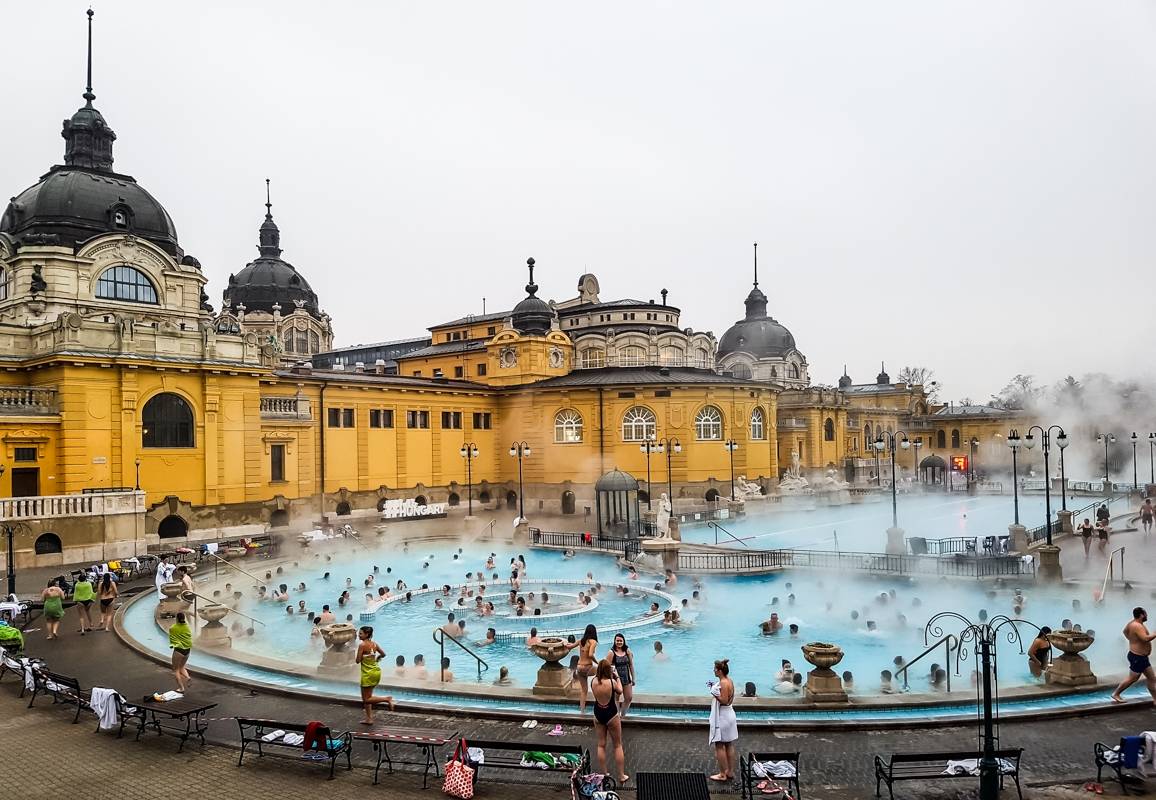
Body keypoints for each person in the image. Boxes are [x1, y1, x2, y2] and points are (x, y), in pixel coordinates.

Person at [591, 659, 629, 784]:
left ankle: (604, 773)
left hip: (598, 713)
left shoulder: (593, 681)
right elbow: (620, 691)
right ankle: (621, 775)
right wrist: (617, 676)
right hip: (611, 714)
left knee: (601, 744)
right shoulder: (612, 682)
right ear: (608, 670)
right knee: (617, 745)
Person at [1111, 607, 1156, 703]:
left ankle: (1155, 699)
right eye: (1146, 614)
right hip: (1138, 657)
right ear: (1141, 615)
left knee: (1152, 678)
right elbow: (1145, 639)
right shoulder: (1137, 626)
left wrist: (1132, 641)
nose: (1147, 616)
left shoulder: (1132, 623)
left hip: (1141, 657)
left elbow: (1125, 631)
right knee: (1133, 678)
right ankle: (1116, 693)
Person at [355, 625, 394, 724]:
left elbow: (358, 661)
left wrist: (361, 655)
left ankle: (387, 699)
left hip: (368, 674)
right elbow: (383, 654)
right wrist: (377, 658)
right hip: (376, 671)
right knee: (369, 696)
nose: (358, 635)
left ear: (366, 634)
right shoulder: (374, 644)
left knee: (366, 699)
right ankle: (369, 719)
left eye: (360, 633)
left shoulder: (362, 645)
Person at [708, 658, 738, 783]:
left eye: (715, 669)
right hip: (730, 713)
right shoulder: (729, 680)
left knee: (719, 745)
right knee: (729, 743)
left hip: (723, 716)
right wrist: (714, 687)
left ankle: (722, 774)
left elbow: (724, 700)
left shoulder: (724, 683)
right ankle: (730, 772)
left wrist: (714, 693)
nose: (713, 671)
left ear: (720, 671)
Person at [566, 624, 599, 713]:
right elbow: (591, 655)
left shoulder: (581, 641)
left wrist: (563, 644)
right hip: (587, 667)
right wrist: (598, 662)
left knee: (584, 690)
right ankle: (601, 704)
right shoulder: (593, 642)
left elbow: (570, 647)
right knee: (602, 670)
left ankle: (582, 711)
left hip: (579, 667)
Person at [607, 633, 635, 717]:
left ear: (623, 641)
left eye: (620, 641)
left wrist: (633, 678)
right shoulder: (611, 652)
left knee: (629, 697)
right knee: (616, 698)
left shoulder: (627, 650)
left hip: (626, 677)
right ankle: (616, 716)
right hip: (616, 679)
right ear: (614, 641)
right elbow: (606, 666)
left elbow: (631, 665)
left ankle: (623, 715)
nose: (619, 642)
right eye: (617, 640)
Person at [169, 611, 192, 692]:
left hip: (179, 650)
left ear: (177, 619)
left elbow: (172, 638)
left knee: (176, 670)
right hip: (187, 650)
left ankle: (181, 688)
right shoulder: (187, 627)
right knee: (182, 667)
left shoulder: (173, 628)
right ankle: (188, 677)